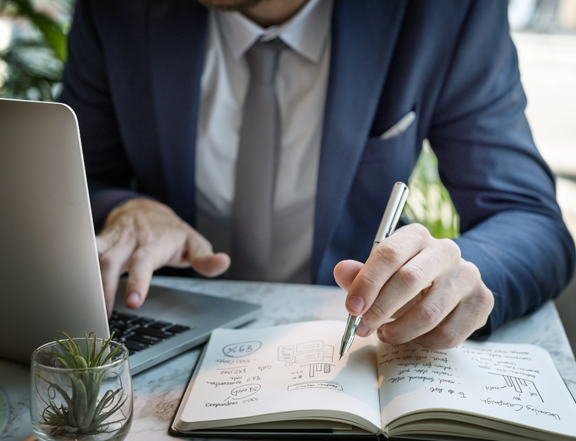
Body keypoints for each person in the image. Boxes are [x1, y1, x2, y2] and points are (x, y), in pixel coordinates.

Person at [59, 0, 575, 349]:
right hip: (164, 336)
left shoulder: (443, 11)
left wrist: (455, 278)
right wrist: (125, 209)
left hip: (349, 347)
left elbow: (526, 215)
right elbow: (76, 178)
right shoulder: (116, 10)